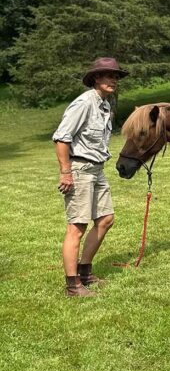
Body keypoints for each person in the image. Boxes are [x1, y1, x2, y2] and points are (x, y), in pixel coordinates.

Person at [53, 57, 128, 297]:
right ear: (96, 78)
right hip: (80, 169)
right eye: (108, 75)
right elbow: (62, 138)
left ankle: (85, 272)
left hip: (97, 169)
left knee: (106, 219)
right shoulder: (84, 103)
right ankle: (73, 285)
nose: (113, 80)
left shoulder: (105, 105)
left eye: (116, 76)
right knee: (77, 226)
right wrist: (66, 172)